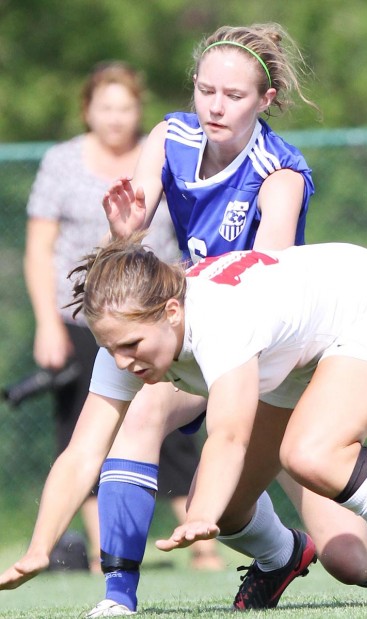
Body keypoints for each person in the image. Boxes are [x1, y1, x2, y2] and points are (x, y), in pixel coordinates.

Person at [20, 24, 367, 617]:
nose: (215, 105)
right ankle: (119, 598)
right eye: (205, 89)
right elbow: (135, 225)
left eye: (233, 96)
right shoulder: (169, 137)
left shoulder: (280, 172)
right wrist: (126, 232)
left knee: (346, 554)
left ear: (265, 101)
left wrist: (209, 303)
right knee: (138, 416)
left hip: (274, 353)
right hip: (200, 330)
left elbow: (264, 274)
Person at [2, 237, 367, 608]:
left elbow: (230, 434)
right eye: (111, 347)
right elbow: (82, 453)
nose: (121, 360)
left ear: (172, 311)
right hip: (299, 355)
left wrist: (201, 519)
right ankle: (281, 556)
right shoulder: (129, 342)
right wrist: (39, 548)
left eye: (131, 346)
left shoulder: (219, 318)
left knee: (311, 454)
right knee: (235, 512)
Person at [23, 60, 213, 574]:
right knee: (84, 433)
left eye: (125, 106)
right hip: (83, 318)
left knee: (170, 424)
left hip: (157, 313)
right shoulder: (62, 162)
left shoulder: (160, 160)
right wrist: (47, 321)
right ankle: (102, 551)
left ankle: (203, 543)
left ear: (138, 110)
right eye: (104, 107)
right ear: (88, 110)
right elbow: (40, 250)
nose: (114, 117)